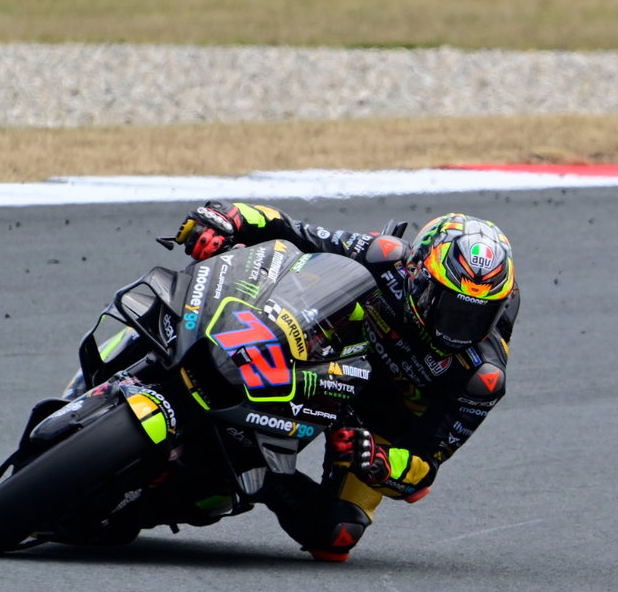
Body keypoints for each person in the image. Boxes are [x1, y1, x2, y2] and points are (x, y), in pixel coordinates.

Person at [172, 201, 518, 560]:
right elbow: (293, 230)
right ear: (418, 275)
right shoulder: (387, 259)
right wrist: (230, 218)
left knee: (336, 534)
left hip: (378, 420)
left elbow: (423, 468)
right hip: (326, 352)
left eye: (478, 315)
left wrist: (378, 461)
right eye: (451, 308)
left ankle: (260, 475)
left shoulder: (481, 377)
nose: (460, 328)